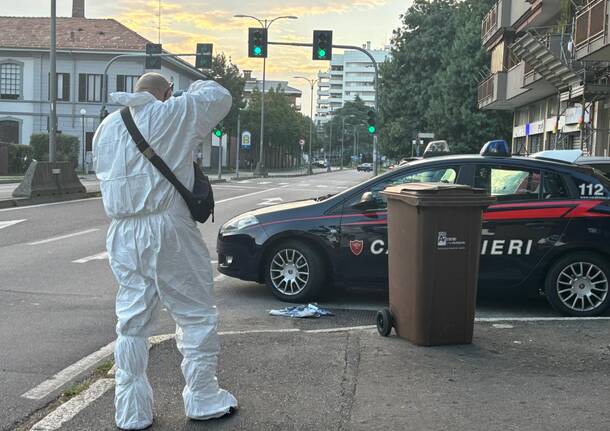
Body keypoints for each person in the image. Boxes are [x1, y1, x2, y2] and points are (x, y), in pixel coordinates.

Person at [93, 73, 237, 430]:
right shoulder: (172, 113)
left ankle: (131, 411)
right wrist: (183, 93)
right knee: (194, 313)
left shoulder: (106, 129)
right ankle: (203, 397)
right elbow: (219, 95)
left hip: (123, 232)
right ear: (166, 92)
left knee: (131, 321)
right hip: (167, 226)